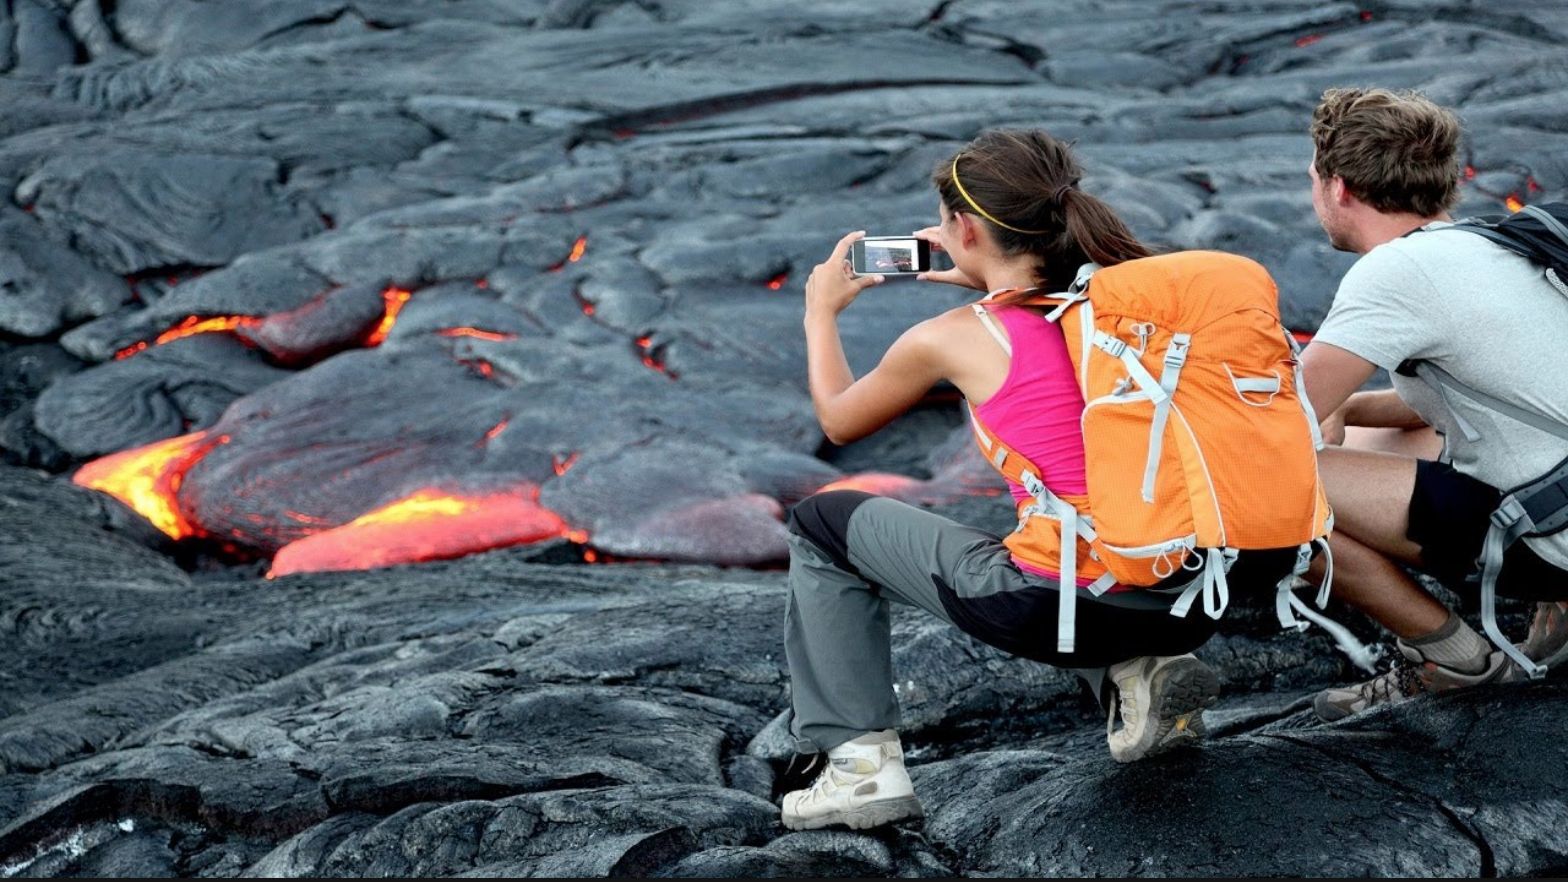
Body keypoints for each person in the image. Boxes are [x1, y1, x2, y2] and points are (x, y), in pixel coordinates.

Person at [779, 129, 1304, 832]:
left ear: (964, 228)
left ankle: (859, 769)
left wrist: (821, 311)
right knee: (1092, 523)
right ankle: (1138, 674)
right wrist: (985, 275)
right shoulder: (1133, 311)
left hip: (1060, 609)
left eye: (943, 224)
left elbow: (840, 421)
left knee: (823, 523)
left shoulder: (952, 336)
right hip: (1192, 593)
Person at [1298, 87, 1568, 721]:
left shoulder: (1393, 274)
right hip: (1558, 495)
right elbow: (1446, 403)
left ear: (1337, 187)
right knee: (1365, 446)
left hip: (1549, 534)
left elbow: (1281, 417)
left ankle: (1455, 660)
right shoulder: (1485, 245)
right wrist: (1346, 410)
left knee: (1248, 491)